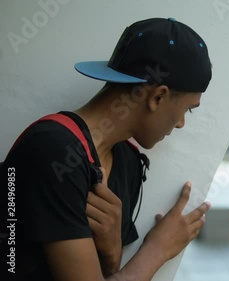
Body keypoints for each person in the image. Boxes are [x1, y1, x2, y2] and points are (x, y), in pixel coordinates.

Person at [2, 18, 212, 281]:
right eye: (187, 109)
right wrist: (157, 249)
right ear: (157, 97)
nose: (181, 123)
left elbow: (109, 276)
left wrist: (111, 256)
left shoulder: (129, 163)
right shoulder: (52, 149)